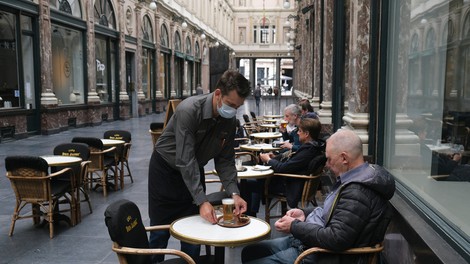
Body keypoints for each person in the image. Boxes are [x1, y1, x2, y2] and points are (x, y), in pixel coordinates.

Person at [241, 129, 396, 264]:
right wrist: (304, 214)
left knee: (253, 256)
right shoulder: (355, 177)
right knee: (251, 251)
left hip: (321, 255)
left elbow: (336, 238)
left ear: (344, 158)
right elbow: (336, 211)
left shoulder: (358, 192)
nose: (327, 164)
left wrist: (294, 226)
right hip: (310, 241)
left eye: (329, 159)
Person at [148, 70, 250, 262]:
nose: (233, 111)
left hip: (194, 170)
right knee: (159, 234)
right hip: (165, 173)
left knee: (194, 235)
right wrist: (202, 200)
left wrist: (234, 193)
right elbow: (185, 159)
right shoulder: (189, 110)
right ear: (218, 94)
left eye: (238, 107)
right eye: (231, 105)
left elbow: (225, 160)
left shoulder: (229, 121)